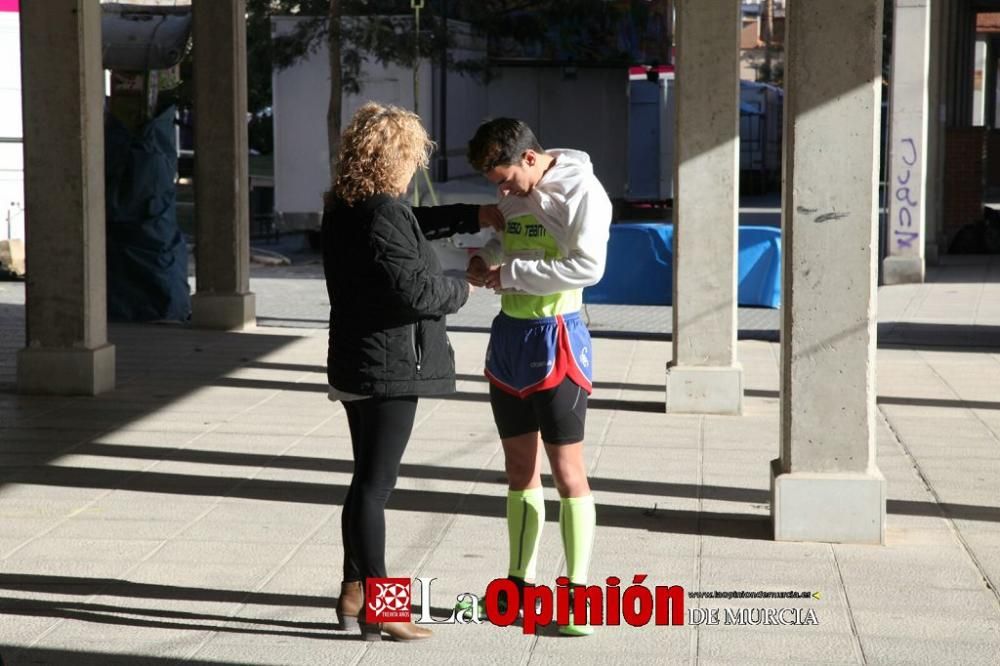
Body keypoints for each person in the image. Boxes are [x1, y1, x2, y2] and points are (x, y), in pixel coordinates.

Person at [323, 102, 502, 642]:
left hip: (359, 359)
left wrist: (474, 216)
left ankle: (354, 590)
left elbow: (409, 227)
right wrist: (465, 287)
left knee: (366, 482)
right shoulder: (379, 213)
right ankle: (382, 604)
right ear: (397, 157)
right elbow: (418, 290)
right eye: (412, 156)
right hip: (386, 365)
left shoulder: (349, 206)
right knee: (375, 487)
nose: (414, 167)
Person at [463, 118, 613, 636]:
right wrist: (487, 258)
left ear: (530, 158)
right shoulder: (512, 193)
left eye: (506, 180)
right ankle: (517, 588)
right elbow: (511, 242)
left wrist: (509, 275)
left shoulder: (584, 192)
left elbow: (588, 268)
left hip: (558, 339)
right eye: (495, 185)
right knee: (516, 468)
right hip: (509, 338)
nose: (501, 193)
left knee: (567, 471)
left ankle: (577, 593)